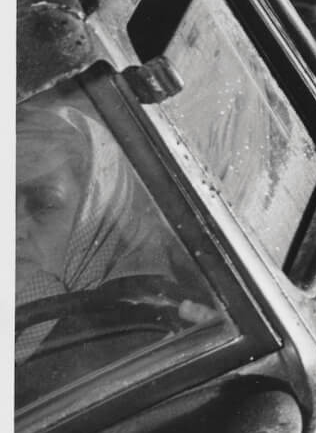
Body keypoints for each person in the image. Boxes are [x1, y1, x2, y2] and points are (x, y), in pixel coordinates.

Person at [15, 100, 212, 395]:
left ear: (96, 202)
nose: (12, 229)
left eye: (43, 204)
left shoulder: (142, 325)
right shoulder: (42, 284)